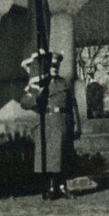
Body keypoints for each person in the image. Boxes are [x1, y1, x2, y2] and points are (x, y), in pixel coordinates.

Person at [20, 52, 82, 199]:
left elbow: (73, 106)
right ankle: (49, 188)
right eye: (52, 65)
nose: (54, 68)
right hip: (46, 124)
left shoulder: (65, 83)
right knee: (47, 158)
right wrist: (36, 95)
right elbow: (24, 103)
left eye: (57, 65)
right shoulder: (39, 83)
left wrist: (77, 126)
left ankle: (62, 187)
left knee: (62, 157)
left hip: (62, 122)